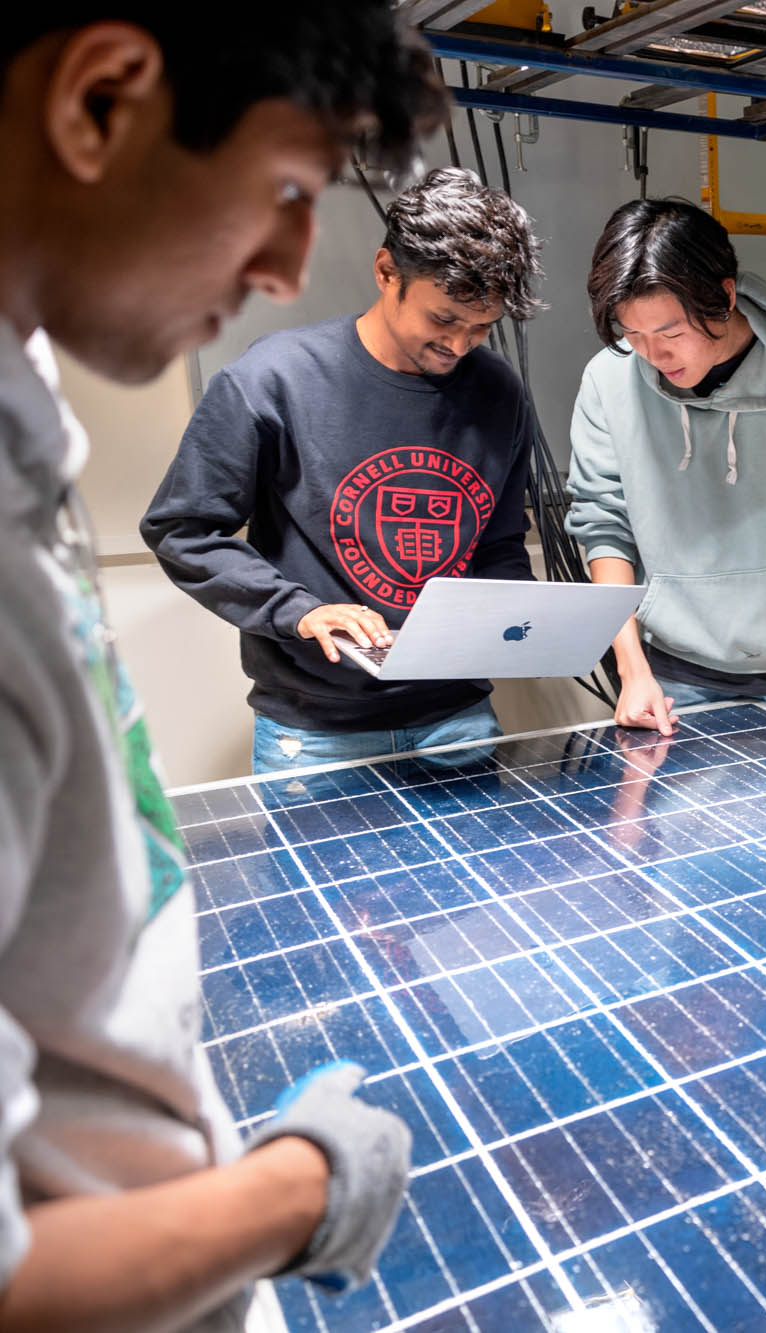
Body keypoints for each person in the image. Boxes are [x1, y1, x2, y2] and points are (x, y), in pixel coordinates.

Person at [0, 4, 438, 1328]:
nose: (289, 265)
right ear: (102, 102)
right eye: (290, 186)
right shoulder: (268, 386)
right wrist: (298, 1188)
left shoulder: (27, 428)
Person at [141, 167, 543, 774]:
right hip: (319, 731)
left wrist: (514, 613)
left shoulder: (498, 390)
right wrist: (296, 609)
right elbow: (182, 529)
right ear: (387, 273)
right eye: (442, 320)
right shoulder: (272, 380)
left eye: (481, 328)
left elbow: (499, 543)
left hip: (456, 720)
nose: (460, 346)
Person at [565, 199, 766, 745]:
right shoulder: (607, 379)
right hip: (671, 673)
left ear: (723, 296)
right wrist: (632, 670)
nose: (653, 354)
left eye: (670, 333)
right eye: (634, 335)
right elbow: (604, 525)